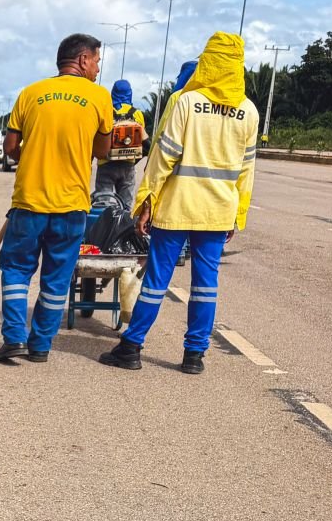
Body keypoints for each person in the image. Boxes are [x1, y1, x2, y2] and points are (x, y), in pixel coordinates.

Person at [99, 32, 259, 375]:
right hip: (218, 212)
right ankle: (194, 355)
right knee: (206, 284)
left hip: (178, 207)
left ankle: (132, 346)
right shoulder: (248, 112)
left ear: (209, 61)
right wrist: (238, 215)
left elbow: (164, 157)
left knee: (157, 279)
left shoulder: (188, 102)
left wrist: (145, 202)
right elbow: (247, 171)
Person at [0, 33, 113, 364]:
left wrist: (32, 158)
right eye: (97, 61)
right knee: (57, 278)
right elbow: (102, 152)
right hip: (71, 206)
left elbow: (10, 148)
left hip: (29, 201)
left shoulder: (30, 93)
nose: (98, 69)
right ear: (83, 59)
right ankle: (41, 345)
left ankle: (15, 337)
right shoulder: (99, 97)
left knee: (17, 270)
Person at [94, 79, 147, 213]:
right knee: (126, 206)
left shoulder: (106, 111)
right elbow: (143, 140)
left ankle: (102, 232)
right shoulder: (137, 114)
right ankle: (121, 231)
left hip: (106, 162)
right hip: (128, 165)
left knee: (102, 203)